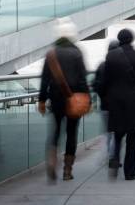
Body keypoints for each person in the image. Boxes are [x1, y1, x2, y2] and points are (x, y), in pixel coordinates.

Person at [38, 18, 89, 181]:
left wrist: (41, 100)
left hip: (56, 99)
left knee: (55, 131)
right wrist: (87, 98)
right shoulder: (77, 53)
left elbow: (45, 79)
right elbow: (82, 79)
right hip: (74, 99)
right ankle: (67, 170)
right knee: (72, 133)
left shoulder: (51, 53)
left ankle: (52, 162)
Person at [103, 29, 135, 180]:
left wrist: (106, 99)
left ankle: (115, 160)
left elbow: (105, 81)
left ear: (119, 39)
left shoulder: (111, 56)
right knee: (133, 139)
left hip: (116, 102)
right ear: (132, 39)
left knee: (118, 135)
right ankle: (130, 172)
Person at [92, 39, 120, 162]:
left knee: (107, 130)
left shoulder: (102, 66)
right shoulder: (122, 65)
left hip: (104, 104)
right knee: (118, 131)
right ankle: (114, 155)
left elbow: (94, 84)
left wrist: (102, 94)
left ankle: (108, 153)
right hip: (118, 104)